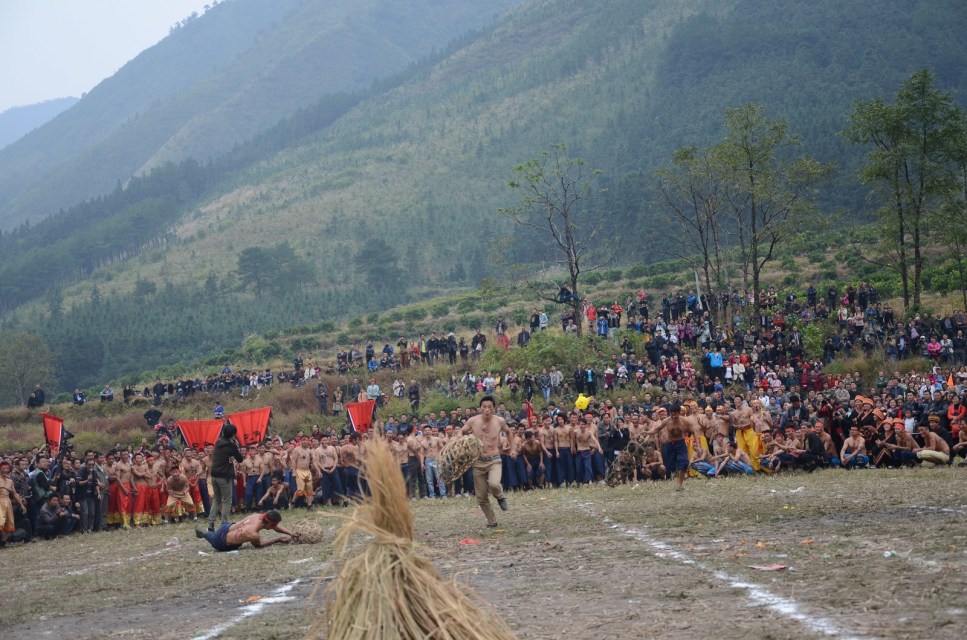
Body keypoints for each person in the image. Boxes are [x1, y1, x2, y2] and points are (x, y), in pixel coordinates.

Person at [460, 396, 514, 528]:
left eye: (490, 407)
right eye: (484, 407)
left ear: (494, 408)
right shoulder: (473, 420)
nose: (487, 409)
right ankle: (492, 521)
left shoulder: (499, 421)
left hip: (494, 459)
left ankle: (500, 497)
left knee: (494, 484)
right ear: (480, 408)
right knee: (481, 496)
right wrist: (460, 440)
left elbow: (509, 432)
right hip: (477, 461)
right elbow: (462, 431)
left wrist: (512, 449)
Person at [195, 510, 300, 552]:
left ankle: (207, 534)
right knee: (212, 539)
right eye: (273, 525)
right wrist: (277, 539)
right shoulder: (253, 534)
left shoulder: (258, 516)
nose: (275, 527)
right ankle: (204, 534)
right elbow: (258, 545)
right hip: (221, 542)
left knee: (214, 535)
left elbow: (275, 526)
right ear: (269, 524)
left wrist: (290, 533)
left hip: (226, 526)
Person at [208, 421, 243, 532]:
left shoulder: (218, 442)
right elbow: (240, 459)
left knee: (217, 499)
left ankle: (210, 523)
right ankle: (224, 523)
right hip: (224, 476)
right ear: (233, 435)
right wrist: (236, 445)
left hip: (214, 475)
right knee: (227, 500)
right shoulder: (231, 446)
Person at [0, 460, 27, 546]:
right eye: (3, 468)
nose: (5, 470)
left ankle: (3, 542)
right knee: (1, 523)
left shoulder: (10, 481)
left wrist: (22, 505)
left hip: (7, 503)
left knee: (9, 525)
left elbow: (15, 494)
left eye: (7, 469)